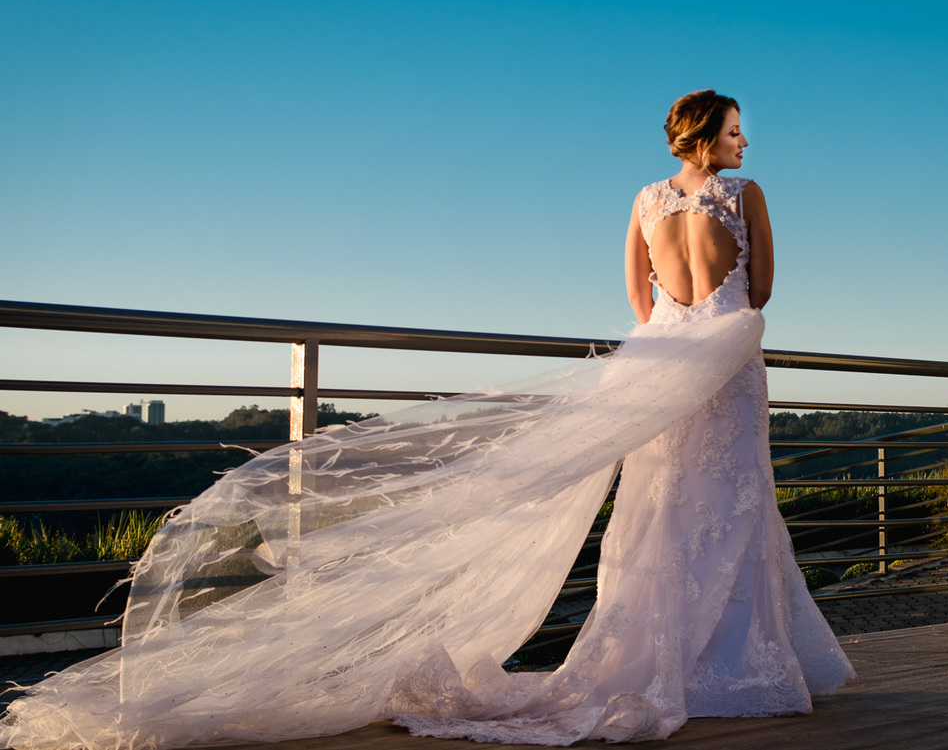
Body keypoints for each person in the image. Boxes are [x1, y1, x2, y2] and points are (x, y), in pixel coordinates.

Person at [0, 91, 852, 750]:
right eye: (735, 130)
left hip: (659, 365)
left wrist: (675, 332)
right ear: (706, 137)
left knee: (659, 512)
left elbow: (638, 302)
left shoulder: (644, 201)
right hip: (727, 368)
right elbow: (762, 290)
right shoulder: (745, 193)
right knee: (735, 504)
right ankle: (735, 665)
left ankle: (665, 654)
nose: (745, 142)